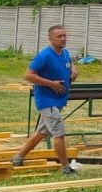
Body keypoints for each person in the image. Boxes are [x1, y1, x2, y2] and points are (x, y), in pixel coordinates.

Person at [12, 25, 82, 175]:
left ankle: (18, 157)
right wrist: (51, 84)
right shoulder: (44, 56)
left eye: (64, 35)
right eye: (59, 36)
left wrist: (73, 70)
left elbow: (69, 63)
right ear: (50, 38)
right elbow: (28, 76)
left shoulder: (65, 53)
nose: (63, 39)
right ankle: (66, 168)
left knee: (41, 132)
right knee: (59, 133)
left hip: (59, 99)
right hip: (47, 101)